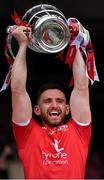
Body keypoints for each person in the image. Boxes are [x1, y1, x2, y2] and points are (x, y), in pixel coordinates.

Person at [10, 25, 91, 179]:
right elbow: (18, 91)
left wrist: (75, 40)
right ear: (37, 110)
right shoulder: (27, 134)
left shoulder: (79, 132)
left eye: (59, 101)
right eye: (47, 101)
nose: (54, 105)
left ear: (67, 109)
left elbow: (81, 87)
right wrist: (22, 45)